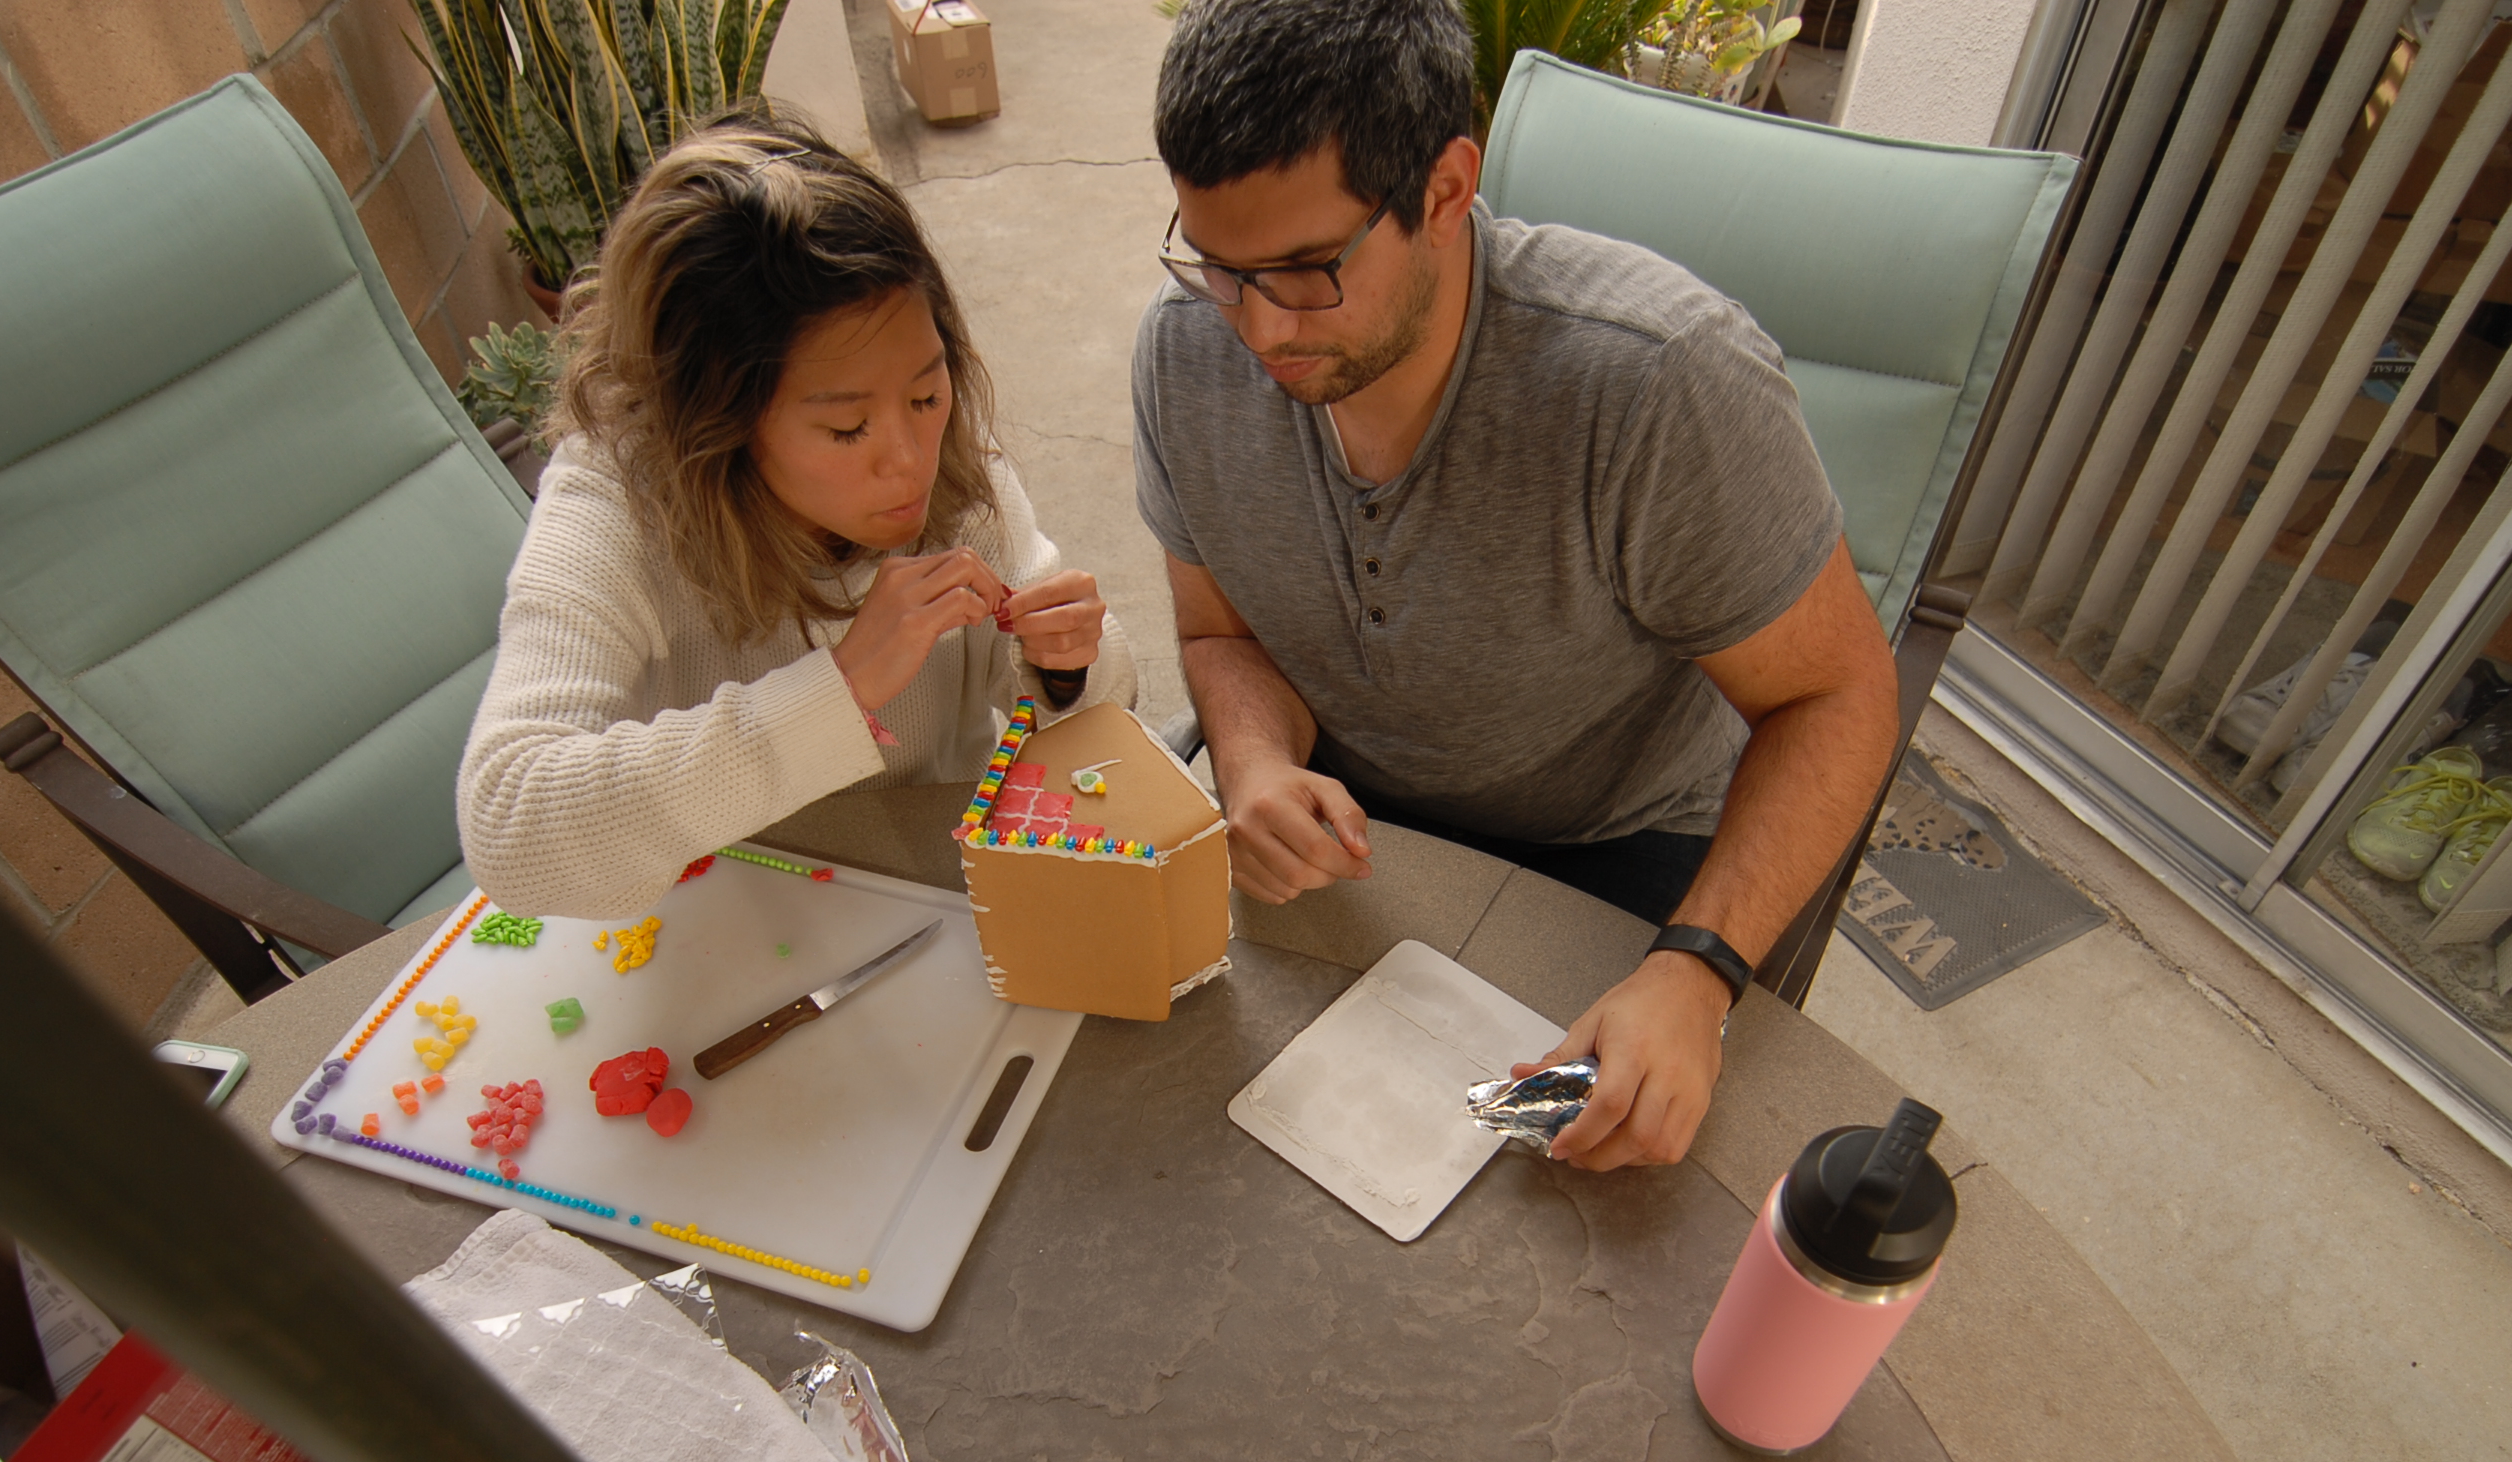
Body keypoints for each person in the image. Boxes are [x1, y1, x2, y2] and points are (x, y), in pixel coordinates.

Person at [1137, 0, 1897, 1172]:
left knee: (1564, 1185)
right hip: (1347, 813)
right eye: (1219, 266)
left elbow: (1839, 695)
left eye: (1305, 271)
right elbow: (1218, 629)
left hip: (1611, 839)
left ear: (1445, 190)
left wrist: (1697, 970)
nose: (1257, 330)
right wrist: (1252, 761)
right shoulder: (1183, 350)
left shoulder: (1659, 386)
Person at [459, 111, 1135, 919]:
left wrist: (1066, 668)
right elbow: (509, 825)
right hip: (722, 925)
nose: (909, 458)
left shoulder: (953, 463)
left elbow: (1088, 725)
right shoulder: (616, 505)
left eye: (926, 394)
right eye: (847, 428)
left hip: (934, 903)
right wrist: (839, 689)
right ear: (715, 426)